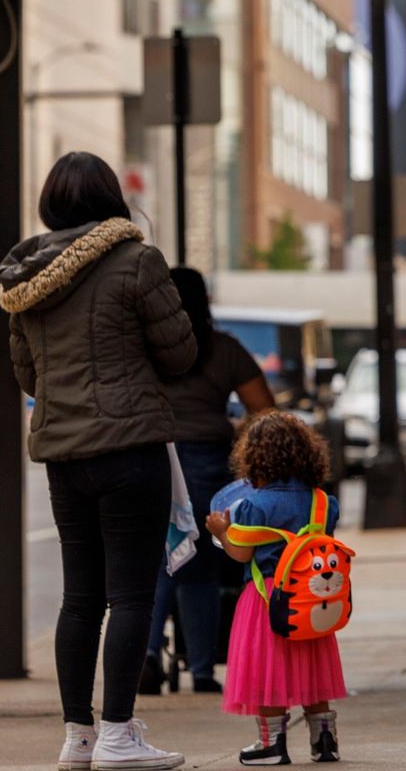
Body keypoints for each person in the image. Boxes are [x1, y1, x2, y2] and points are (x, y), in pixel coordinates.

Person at [0, 151, 197, 771]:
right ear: (111, 197)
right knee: (133, 593)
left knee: (80, 596)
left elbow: (27, 373)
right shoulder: (137, 261)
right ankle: (117, 735)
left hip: (64, 453)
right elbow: (181, 355)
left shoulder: (23, 277)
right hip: (130, 447)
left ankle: (78, 737)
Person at [140, 267, 277, 697]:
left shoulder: (142, 348)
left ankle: (143, 656)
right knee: (199, 565)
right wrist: (230, 427)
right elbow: (264, 411)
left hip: (150, 456)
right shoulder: (224, 348)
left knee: (159, 562)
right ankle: (201, 670)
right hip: (205, 462)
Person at [204, 412, 348, 766]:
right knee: (312, 667)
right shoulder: (321, 501)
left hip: (268, 594)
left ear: (254, 457)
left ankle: (271, 742)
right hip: (312, 596)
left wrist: (221, 530)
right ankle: (324, 738)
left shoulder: (254, 505)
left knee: (268, 668)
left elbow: (242, 553)